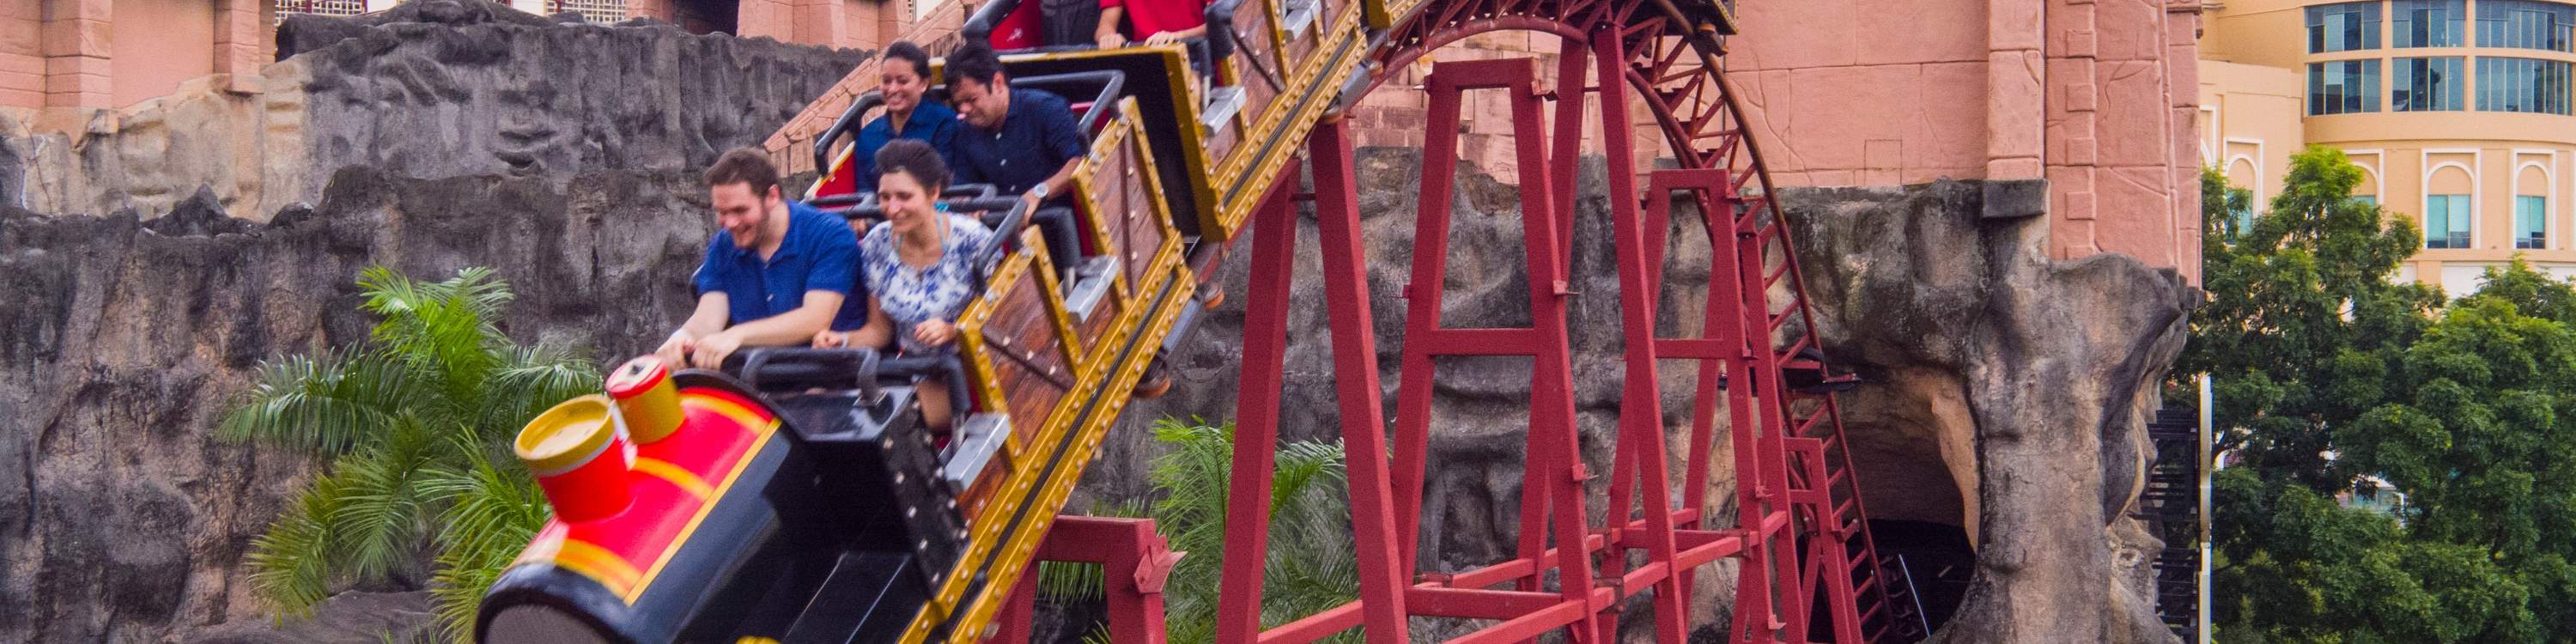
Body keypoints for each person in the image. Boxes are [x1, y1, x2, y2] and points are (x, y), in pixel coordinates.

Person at [814, 140, 995, 431]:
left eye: (904, 197)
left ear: (933, 193)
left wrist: (955, 331)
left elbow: (1005, 321)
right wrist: (842, 341)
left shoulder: (974, 241)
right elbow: (880, 331)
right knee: (823, 411)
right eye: (884, 197)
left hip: (970, 369)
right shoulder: (876, 244)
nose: (892, 208)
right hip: (909, 369)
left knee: (884, 423)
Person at [658, 149, 866, 371]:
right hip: (758, 377)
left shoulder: (829, 234)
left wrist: (737, 335)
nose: (730, 223)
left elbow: (814, 319)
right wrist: (682, 337)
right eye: (721, 212)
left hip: (830, 375)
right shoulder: (724, 244)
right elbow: (709, 318)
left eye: (740, 210)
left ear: (772, 197)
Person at [944, 43, 1088, 283]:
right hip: (1001, 241)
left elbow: (1077, 162)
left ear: (998, 83)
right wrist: (969, 204)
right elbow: (964, 185)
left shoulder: (1045, 109)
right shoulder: (965, 132)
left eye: (971, 99)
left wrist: (1038, 193)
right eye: (959, 103)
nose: (964, 109)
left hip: (1057, 230)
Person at [849, 41, 960, 194]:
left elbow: (944, 190)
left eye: (903, 81)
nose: (893, 89)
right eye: (886, 81)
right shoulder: (868, 135)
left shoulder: (944, 122)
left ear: (923, 83)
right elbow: (864, 194)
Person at [1093, 0, 1206, 48]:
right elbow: (1105, 26)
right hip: (1143, 55)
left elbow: (1220, 23)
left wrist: (1178, 36)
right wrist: (1108, 38)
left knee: (1181, 83)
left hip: (1194, 51)